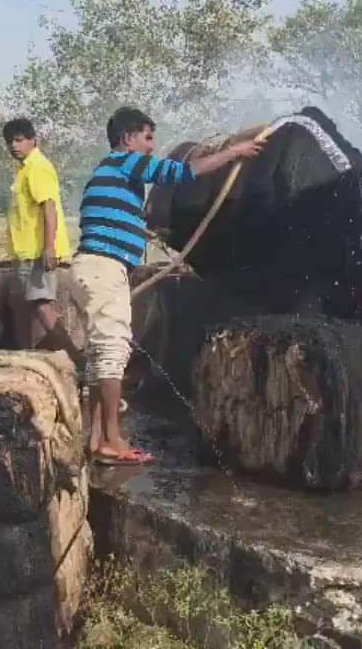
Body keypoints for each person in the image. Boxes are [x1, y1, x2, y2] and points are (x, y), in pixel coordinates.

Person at [74, 107, 264, 466]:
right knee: (113, 352)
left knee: (101, 354)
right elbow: (179, 173)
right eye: (147, 138)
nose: (151, 146)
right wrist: (233, 153)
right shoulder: (124, 162)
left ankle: (98, 438)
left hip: (94, 269)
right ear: (128, 138)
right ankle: (114, 440)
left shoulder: (112, 173)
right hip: (102, 269)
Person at [2, 117, 76, 353]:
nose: (14, 146)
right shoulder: (24, 169)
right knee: (32, 306)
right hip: (27, 251)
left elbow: (49, 208)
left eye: (19, 140)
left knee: (42, 305)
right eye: (10, 142)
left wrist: (49, 247)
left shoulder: (37, 167)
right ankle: (40, 355)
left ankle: (75, 357)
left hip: (38, 251)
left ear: (33, 140)